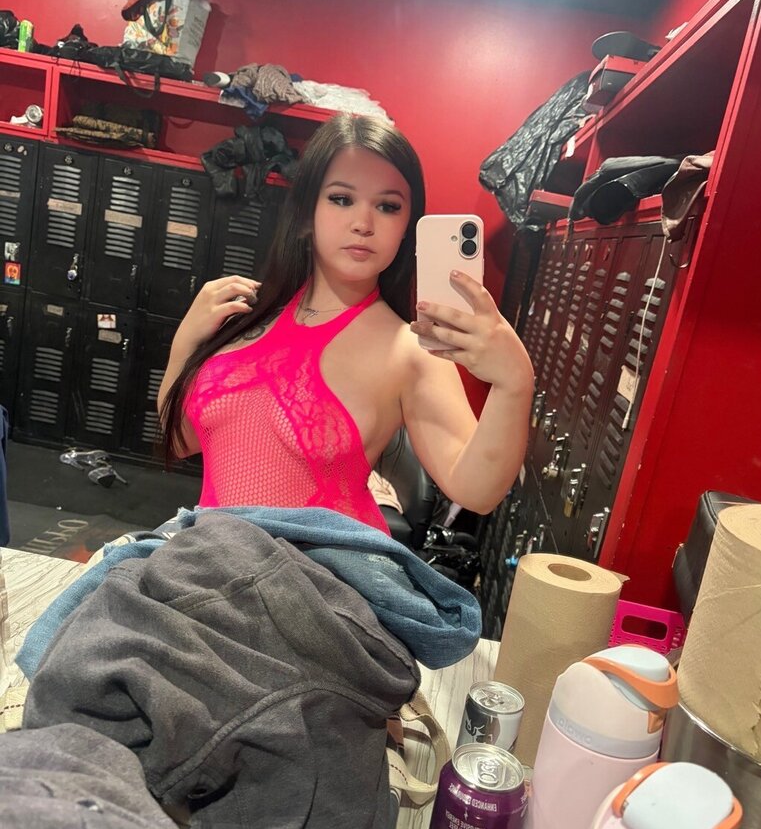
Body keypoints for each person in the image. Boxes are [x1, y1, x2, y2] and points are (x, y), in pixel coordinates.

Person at [158, 113, 534, 534]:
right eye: (341, 199)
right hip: (211, 557)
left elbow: (476, 490)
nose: (363, 224)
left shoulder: (409, 351)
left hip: (319, 570)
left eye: (388, 206)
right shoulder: (244, 315)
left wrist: (515, 382)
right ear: (306, 213)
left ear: (406, 228)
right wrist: (184, 342)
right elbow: (180, 441)